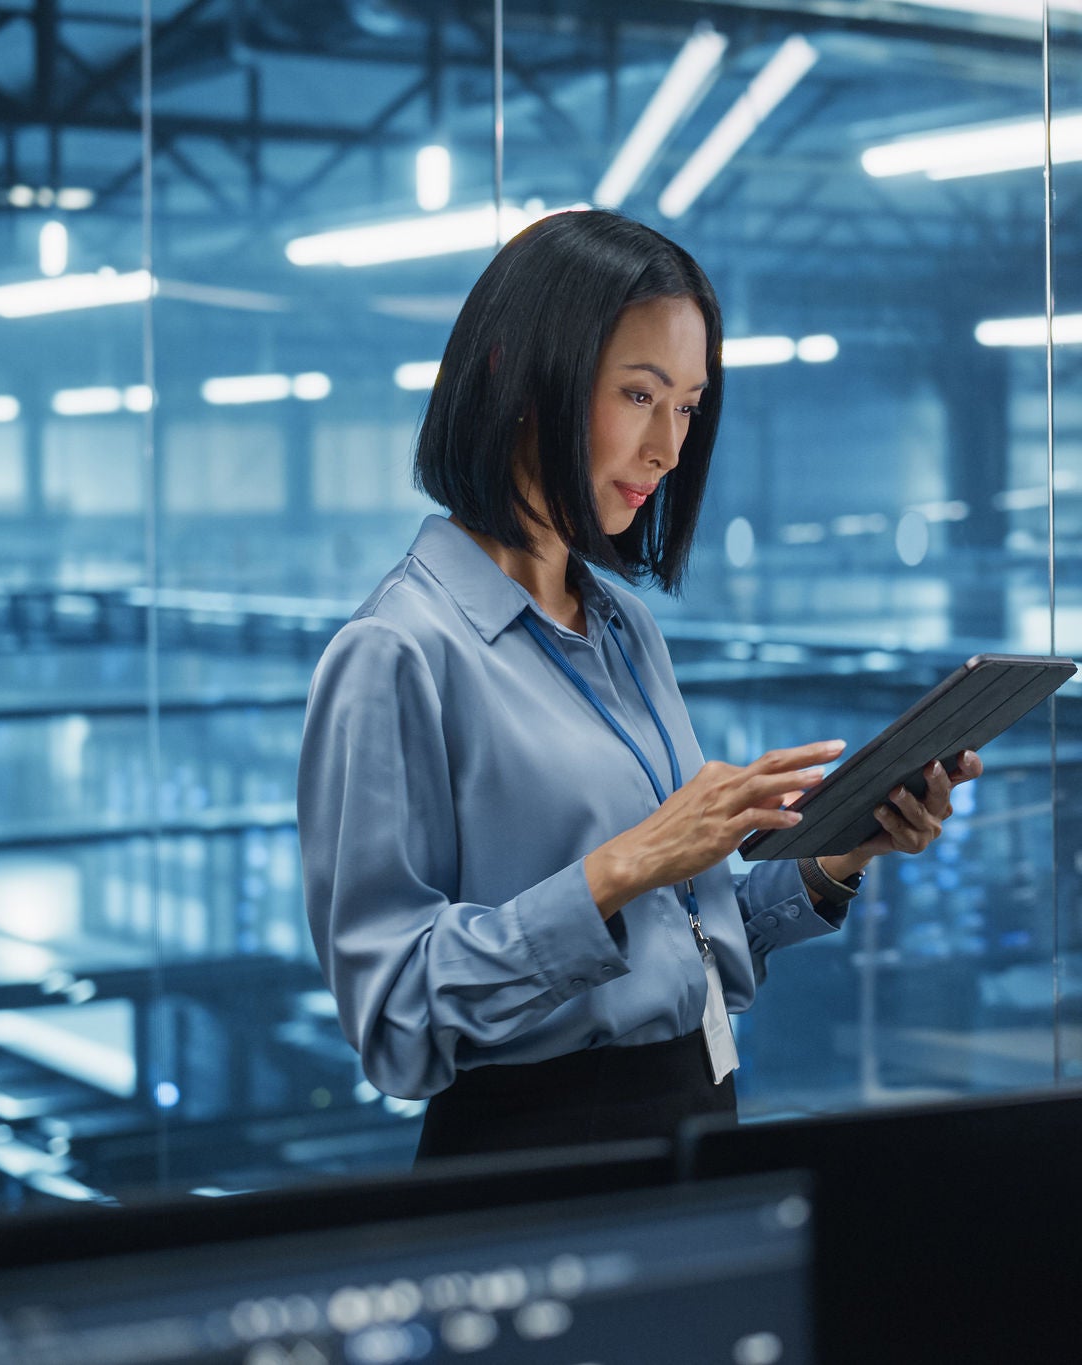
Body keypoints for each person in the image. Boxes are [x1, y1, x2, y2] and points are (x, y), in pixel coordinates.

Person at [296, 210, 981, 1163]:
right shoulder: (397, 652)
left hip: (694, 1109)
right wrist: (625, 863)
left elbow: (683, 932)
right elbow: (394, 1015)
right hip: (535, 1154)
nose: (669, 446)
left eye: (690, 406)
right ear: (518, 380)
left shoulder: (621, 627)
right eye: (638, 394)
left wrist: (833, 858)